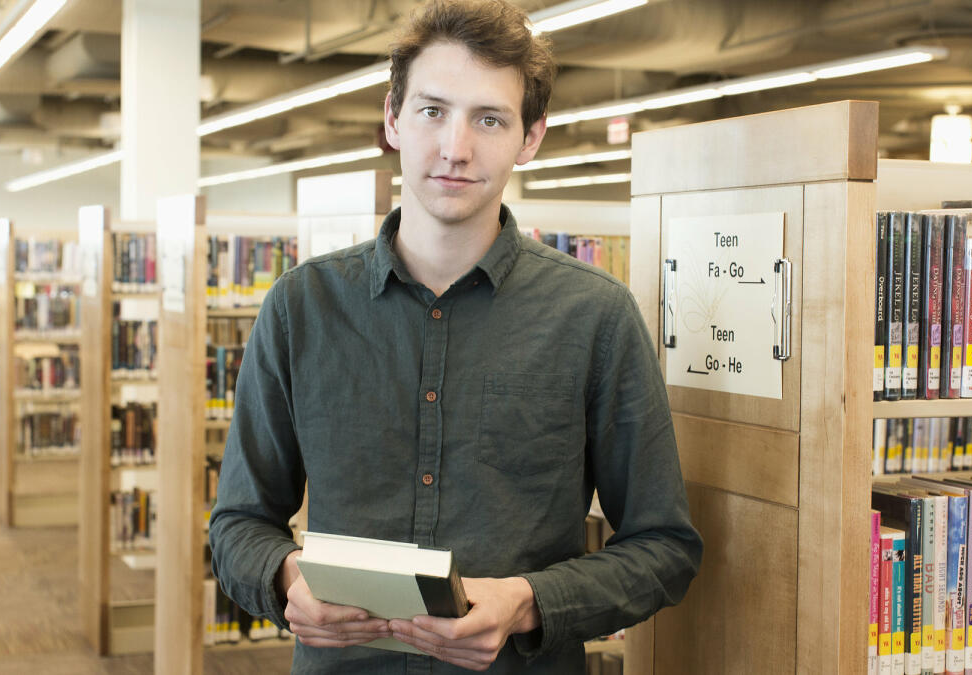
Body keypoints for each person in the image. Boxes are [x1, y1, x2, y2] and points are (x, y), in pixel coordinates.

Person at [208, 0, 702, 672]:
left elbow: (664, 546)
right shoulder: (302, 306)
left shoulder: (597, 317)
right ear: (393, 119)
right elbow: (237, 525)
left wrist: (528, 600)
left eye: (489, 118)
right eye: (433, 110)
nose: (456, 147)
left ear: (530, 138)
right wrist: (286, 577)